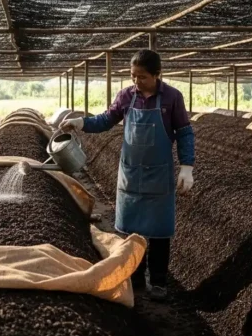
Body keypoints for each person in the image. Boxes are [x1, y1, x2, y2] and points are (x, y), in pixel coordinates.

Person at [59, 49, 195, 301]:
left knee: (159, 232)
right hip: (131, 175)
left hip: (158, 176)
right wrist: (82, 123)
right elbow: (107, 120)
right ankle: (134, 278)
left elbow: (185, 131)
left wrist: (187, 166)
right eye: (133, 76)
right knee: (132, 230)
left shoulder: (172, 98)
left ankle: (158, 282)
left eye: (142, 77)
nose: (136, 82)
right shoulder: (126, 96)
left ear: (156, 74)